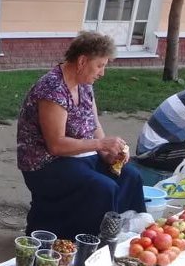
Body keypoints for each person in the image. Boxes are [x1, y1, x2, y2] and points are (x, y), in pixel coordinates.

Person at [17, 31, 145, 241]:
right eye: (100, 65)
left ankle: (126, 235)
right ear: (82, 61)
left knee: (130, 175)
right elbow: (56, 145)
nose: (102, 72)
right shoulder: (52, 89)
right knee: (103, 187)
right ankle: (91, 241)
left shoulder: (85, 85)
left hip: (77, 156)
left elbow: (93, 123)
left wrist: (107, 152)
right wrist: (101, 144)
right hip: (46, 164)